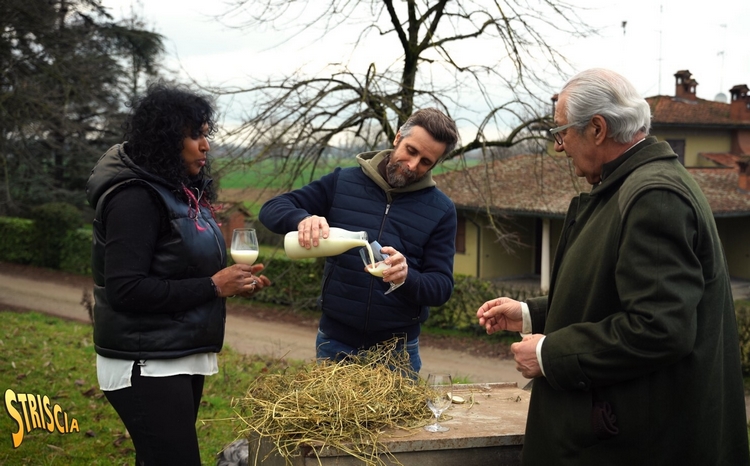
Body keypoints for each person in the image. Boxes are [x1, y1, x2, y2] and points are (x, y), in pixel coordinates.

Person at [477, 69, 750, 465]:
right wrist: (529, 313)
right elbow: (612, 291)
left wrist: (550, 354)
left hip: (638, 444)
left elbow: (659, 328)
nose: (559, 147)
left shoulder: (654, 197)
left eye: (562, 132)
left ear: (598, 129)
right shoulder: (626, 187)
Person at [86, 83, 271, 466]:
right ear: (167, 139)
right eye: (194, 135)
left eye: (206, 134)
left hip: (177, 353)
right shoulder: (135, 197)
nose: (205, 145)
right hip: (145, 361)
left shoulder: (183, 192)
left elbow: (185, 270)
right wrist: (212, 285)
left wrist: (229, 283)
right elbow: (125, 289)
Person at [259, 108, 459, 374]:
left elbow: (441, 286)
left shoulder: (441, 209)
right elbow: (271, 208)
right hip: (336, 344)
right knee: (331, 418)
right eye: (411, 151)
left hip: (396, 354)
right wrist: (302, 219)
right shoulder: (343, 182)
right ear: (398, 137)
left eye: (426, 162)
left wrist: (407, 277)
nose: (413, 165)